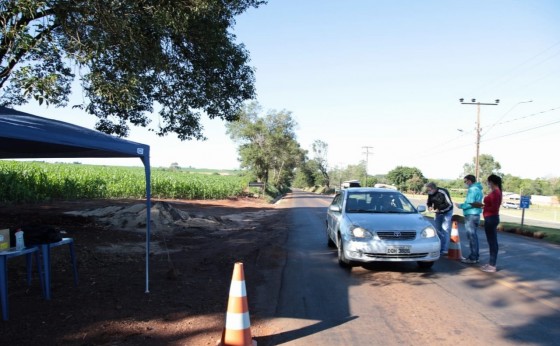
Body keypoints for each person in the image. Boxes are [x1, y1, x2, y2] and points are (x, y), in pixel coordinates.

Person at [456, 174, 483, 264]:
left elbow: (470, 203)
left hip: (470, 214)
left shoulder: (472, 190)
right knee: (474, 236)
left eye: (465, 181)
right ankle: (475, 256)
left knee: (471, 237)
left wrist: (460, 206)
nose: (465, 183)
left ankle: (473, 257)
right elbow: (477, 203)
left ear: (469, 181)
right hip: (476, 214)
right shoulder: (479, 189)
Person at [481, 174, 502, 273]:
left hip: (491, 218)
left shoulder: (496, 193)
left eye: (489, 182)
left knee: (492, 242)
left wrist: (483, 207)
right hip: (490, 217)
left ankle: (492, 265)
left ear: (493, 182)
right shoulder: (495, 192)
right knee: (491, 242)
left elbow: (494, 208)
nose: (488, 184)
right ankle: (491, 263)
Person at [425, 182, 453, 255]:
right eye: (427, 190)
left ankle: (445, 249)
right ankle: (439, 247)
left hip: (447, 212)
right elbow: (429, 202)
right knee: (438, 229)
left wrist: (439, 209)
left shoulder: (443, 192)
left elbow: (449, 204)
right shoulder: (430, 193)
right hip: (438, 212)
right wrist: (430, 207)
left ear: (433, 188)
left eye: (429, 190)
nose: (428, 191)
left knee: (445, 229)